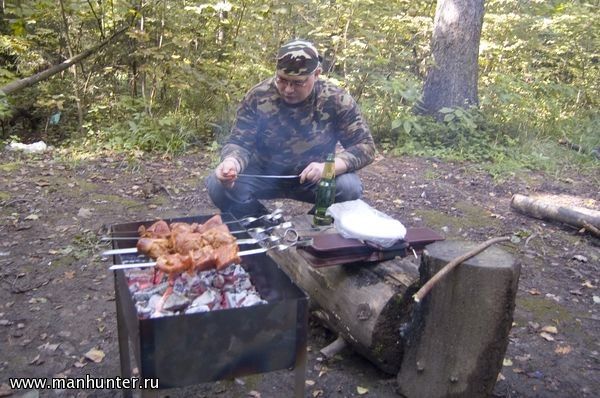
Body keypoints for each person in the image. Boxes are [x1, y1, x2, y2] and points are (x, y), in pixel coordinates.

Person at [206, 39, 376, 218]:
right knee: (217, 184)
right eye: (282, 80)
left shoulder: (335, 100)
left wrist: (328, 168)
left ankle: (312, 225)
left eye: (298, 83)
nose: (288, 89)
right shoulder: (259, 96)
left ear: (316, 74)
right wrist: (232, 163)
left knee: (349, 188)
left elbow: (365, 146)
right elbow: (239, 143)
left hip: (313, 176)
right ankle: (262, 224)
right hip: (264, 174)